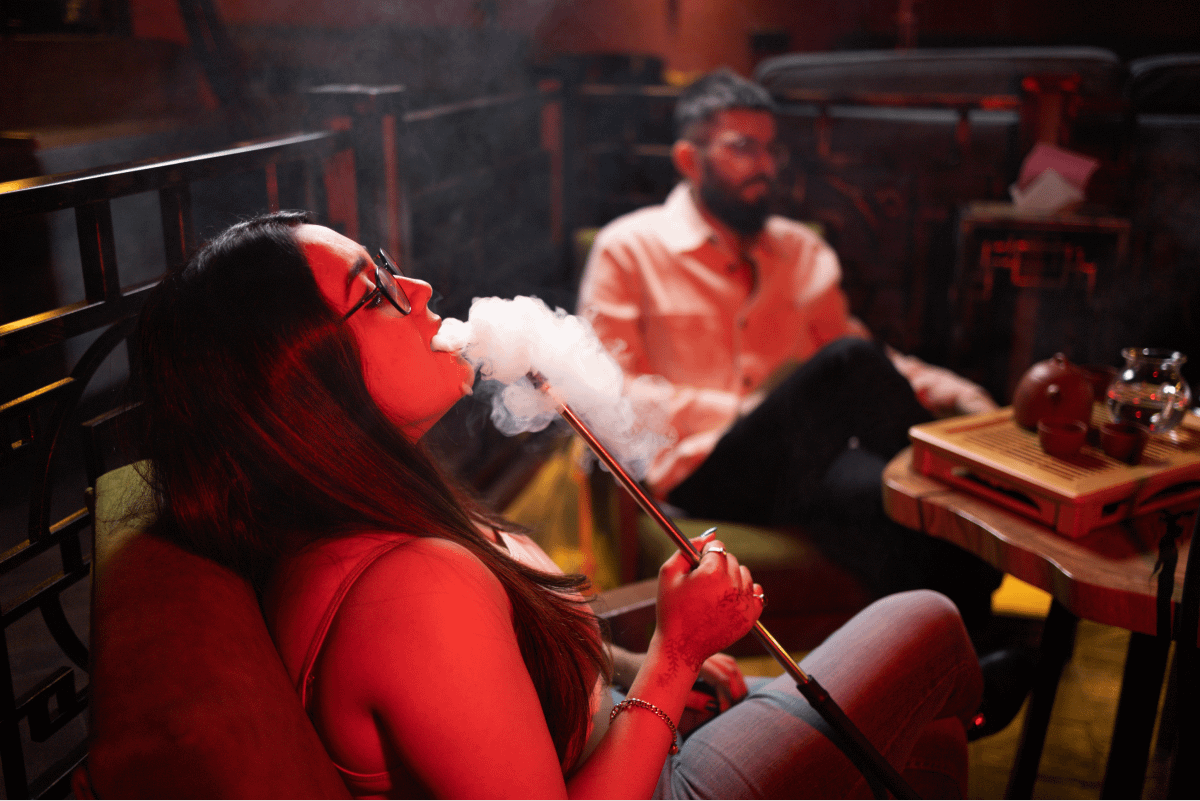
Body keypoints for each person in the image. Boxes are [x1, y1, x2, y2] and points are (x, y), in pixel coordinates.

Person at [128, 210, 982, 798]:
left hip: (631, 741)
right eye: (376, 292)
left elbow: (503, 684)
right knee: (929, 618)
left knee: (928, 740)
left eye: (388, 267)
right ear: (304, 388)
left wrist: (633, 671)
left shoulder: (373, 522)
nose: (417, 286)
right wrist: (674, 655)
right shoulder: (410, 591)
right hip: (661, 784)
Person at [577, 68, 1009, 639]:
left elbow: (871, 362)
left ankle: (967, 661)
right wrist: (747, 410)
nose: (765, 165)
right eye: (743, 148)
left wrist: (969, 399)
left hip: (802, 462)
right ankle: (979, 486)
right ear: (689, 159)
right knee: (849, 369)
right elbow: (608, 394)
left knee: (900, 501)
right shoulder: (629, 248)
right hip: (698, 473)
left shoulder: (799, 250)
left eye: (770, 149)